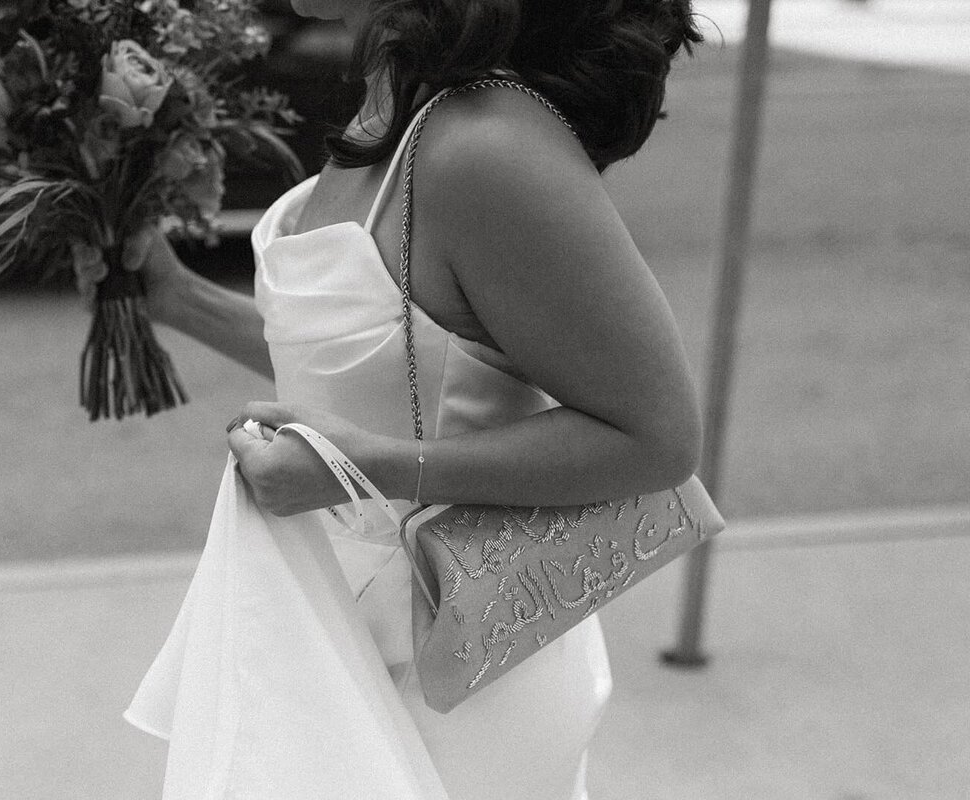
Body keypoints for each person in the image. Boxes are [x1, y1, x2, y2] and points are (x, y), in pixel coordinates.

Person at [123, 0, 704, 796]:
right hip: (334, 638)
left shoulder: (485, 145)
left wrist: (381, 468)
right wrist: (177, 299)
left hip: (452, 674)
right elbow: (375, 364)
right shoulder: (396, 108)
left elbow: (658, 439)